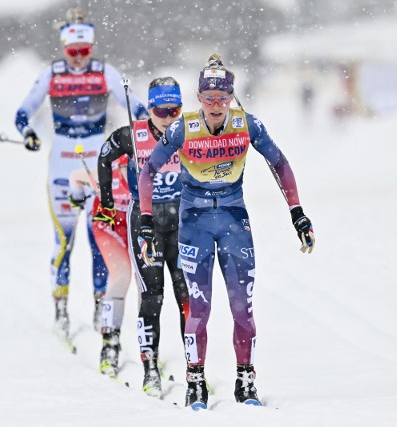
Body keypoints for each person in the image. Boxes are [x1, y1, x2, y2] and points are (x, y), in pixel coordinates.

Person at [138, 53, 316, 410]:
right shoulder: (182, 129)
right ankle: (196, 382)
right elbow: (147, 172)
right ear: (198, 98)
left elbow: (278, 162)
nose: (216, 106)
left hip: (234, 221)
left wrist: (297, 213)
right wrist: (145, 221)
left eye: (223, 98)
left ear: (232, 97)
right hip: (195, 225)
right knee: (198, 310)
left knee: (242, 309)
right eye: (208, 98)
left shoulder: (247, 124)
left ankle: (245, 379)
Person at [13, 8, 148, 341]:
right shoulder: (52, 73)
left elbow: (137, 107)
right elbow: (23, 110)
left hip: (97, 163)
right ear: (63, 49)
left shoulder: (106, 72)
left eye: (83, 51)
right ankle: (60, 308)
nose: (77, 59)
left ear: (91, 47)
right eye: (72, 52)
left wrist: (145, 133)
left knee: (99, 238)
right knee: (64, 240)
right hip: (62, 159)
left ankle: (100, 308)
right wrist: (27, 132)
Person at [97, 77, 187, 397]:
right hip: (146, 222)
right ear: (150, 109)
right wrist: (107, 201)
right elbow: (104, 156)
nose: (169, 117)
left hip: (182, 221)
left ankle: (195, 368)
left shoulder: (188, 130)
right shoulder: (132, 135)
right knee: (153, 295)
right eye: (162, 110)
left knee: (186, 295)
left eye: (175, 109)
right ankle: (150, 369)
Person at [67, 154, 131, 378]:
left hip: (135, 222)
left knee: (148, 284)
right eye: (127, 168)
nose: (130, 174)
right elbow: (75, 177)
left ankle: (149, 349)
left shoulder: (152, 172)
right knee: (121, 276)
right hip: (108, 224)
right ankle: (109, 344)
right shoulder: (106, 174)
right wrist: (76, 197)